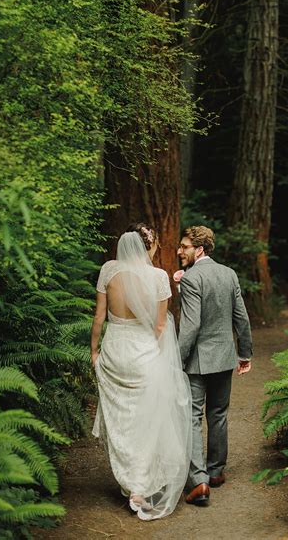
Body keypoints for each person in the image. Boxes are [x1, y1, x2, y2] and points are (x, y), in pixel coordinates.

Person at [91, 223, 192, 521]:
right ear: (150, 246)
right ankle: (140, 485)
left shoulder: (108, 270)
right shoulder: (158, 277)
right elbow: (160, 326)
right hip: (144, 352)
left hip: (114, 350)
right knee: (146, 419)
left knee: (121, 418)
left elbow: (98, 317)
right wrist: (164, 360)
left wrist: (94, 351)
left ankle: (130, 481)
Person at [177, 225, 252, 506]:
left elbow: (191, 326)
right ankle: (216, 472)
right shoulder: (228, 274)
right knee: (218, 413)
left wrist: (177, 357)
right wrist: (244, 353)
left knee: (193, 418)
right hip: (224, 356)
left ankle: (199, 482)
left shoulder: (192, 278)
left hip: (197, 360)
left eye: (184, 246)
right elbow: (241, 318)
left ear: (199, 249)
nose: (179, 251)